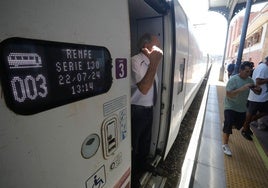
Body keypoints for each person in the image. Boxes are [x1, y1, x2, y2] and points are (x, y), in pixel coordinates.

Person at [131, 33, 163, 186]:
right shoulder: (135, 61)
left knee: (145, 141)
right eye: (156, 46)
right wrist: (155, 64)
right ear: (145, 47)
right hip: (136, 110)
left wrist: (153, 63)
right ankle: (132, 176)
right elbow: (144, 88)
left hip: (149, 109)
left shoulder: (150, 62)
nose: (159, 50)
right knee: (134, 144)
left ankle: (143, 165)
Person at [222, 61, 261, 156]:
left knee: (239, 126)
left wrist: (258, 90)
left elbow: (257, 92)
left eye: (250, 72)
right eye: (246, 71)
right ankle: (225, 145)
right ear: (240, 70)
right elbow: (229, 94)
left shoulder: (250, 81)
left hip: (242, 108)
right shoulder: (233, 80)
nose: (248, 74)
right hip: (230, 106)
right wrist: (242, 88)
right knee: (229, 124)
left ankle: (227, 125)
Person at [241, 57, 268, 140]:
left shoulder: (263, 67)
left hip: (261, 97)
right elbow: (258, 81)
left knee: (263, 112)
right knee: (250, 115)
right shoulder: (264, 68)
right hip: (257, 97)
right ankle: (245, 129)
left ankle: (246, 125)